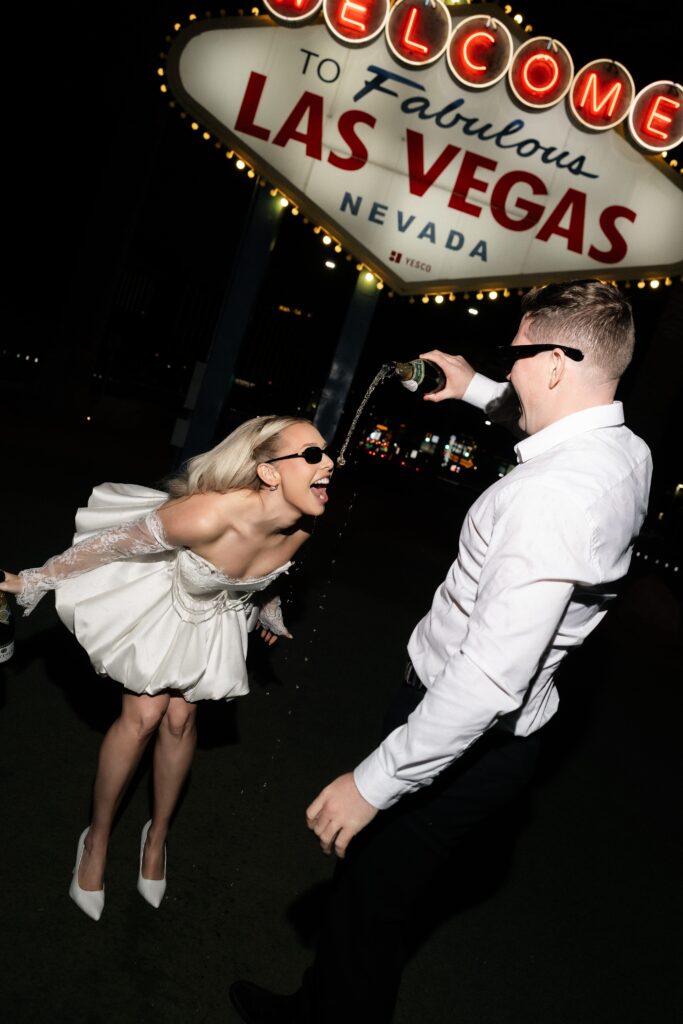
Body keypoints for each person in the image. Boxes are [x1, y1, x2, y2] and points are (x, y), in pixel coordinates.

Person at [228, 279, 653, 1022]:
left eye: (517, 355)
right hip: (480, 731)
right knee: (370, 898)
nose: (512, 367)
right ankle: (315, 1008)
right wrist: (474, 387)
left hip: (464, 733)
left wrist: (375, 780)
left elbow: (490, 680)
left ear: (553, 362)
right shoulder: (623, 451)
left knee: (370, 906)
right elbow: (545, 427)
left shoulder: (551, 499)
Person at [0, 414, 334, 922]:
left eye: (328, 454)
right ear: (268, 473)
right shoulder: (203, 516)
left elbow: (267, 573)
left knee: (182, 720)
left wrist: (270, 607)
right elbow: (109, 545)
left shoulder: (306, 525)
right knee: (145, 718)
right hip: (167, 597)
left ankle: (156, 838)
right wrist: (33, 581)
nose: (328, 463)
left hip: (219, 608)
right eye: (311, 455)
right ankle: (97, 840)